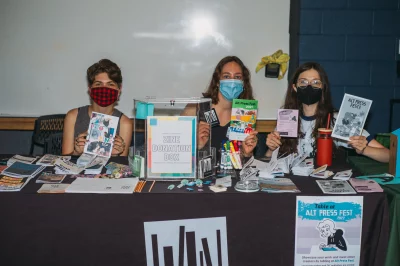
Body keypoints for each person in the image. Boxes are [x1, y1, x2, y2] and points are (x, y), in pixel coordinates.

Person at [265, 62, 389, 163]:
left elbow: (388, 156)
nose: (309, 86)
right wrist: (271, 149)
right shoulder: (287, 118)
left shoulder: (338, 120)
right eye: (303, 82)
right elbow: (267, 160)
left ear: (323, 87)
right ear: (295, 88)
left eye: (315, 82)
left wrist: (364, 149)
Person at [182, 56, 258, 158]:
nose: (232, 82)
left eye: (237, 77)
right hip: (201, 172)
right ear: (217, 81)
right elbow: (177, 152)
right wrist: (197, 146)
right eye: (226, 76)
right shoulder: (196, 108)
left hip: (231, 173)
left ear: (243, 83)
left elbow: (243, 163)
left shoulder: (246, 114)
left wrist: (246, 153)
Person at [62, 59, 132, 156]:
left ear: (119, 90)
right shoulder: (73, 116)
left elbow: (121, 166)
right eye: (98, 84)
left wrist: (115, 155)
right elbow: (64, 158)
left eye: (110, 84)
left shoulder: (124, 123)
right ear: (90, 89)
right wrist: (76, 152)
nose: (104, 89)